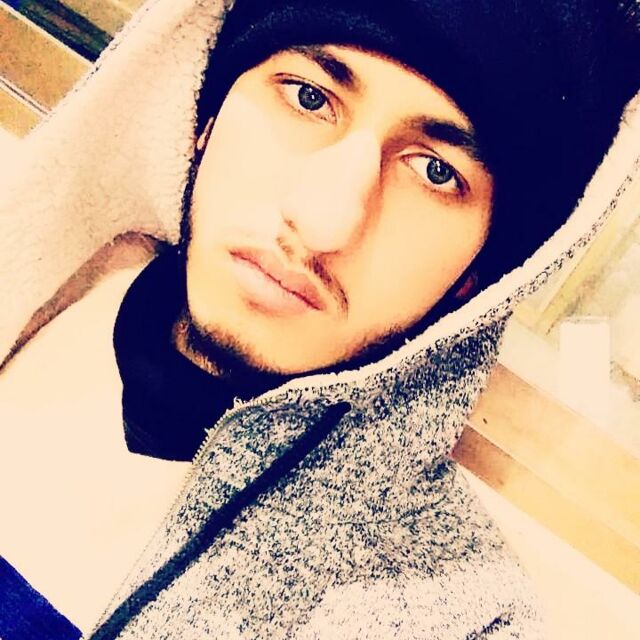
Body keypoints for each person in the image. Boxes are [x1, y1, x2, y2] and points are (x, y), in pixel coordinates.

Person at [0, 0, 637, 637]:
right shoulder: (48, 290)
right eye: (308, 98)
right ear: (206, 115)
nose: (324, 220)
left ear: (477, 282)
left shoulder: (461, 615)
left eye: (436, 171)